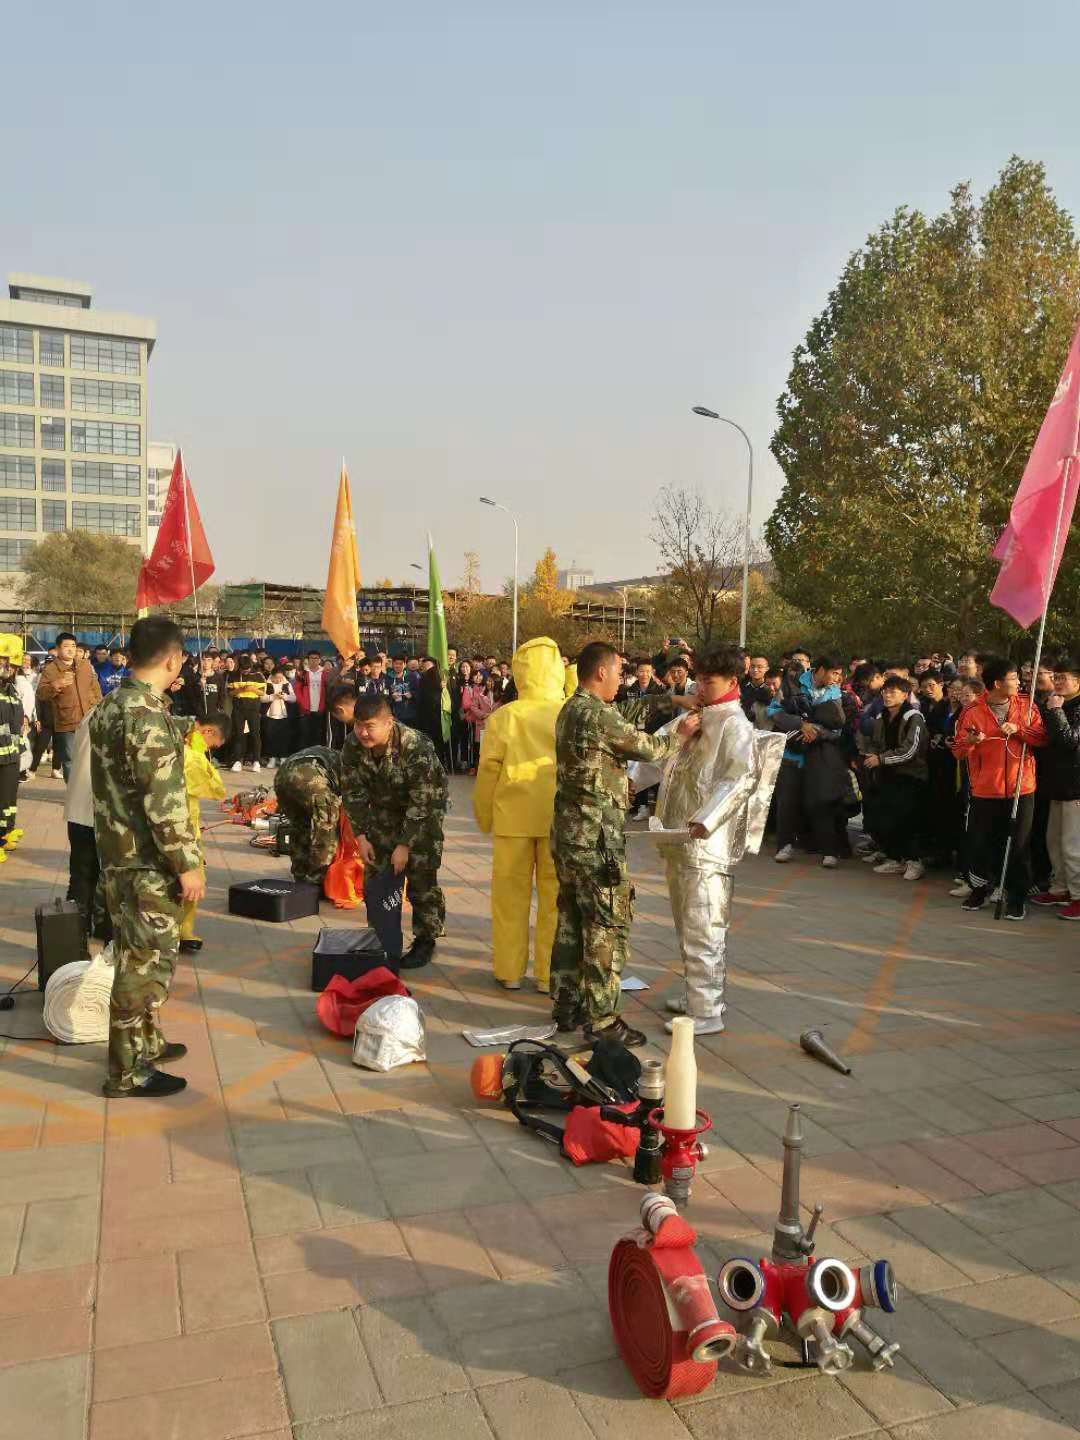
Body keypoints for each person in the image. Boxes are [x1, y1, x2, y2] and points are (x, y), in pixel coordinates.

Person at [549, 641, 699, 1047]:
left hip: (569, 836)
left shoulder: (573, 709)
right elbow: (648, 747)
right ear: (601, 672)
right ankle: (603, 1021)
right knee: (606, 926)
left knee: (571, 920)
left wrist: (672, 700)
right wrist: (681, 734)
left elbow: (627, 712)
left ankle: (567, 1003)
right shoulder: (598, 716)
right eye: (618, 672)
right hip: (596, 840)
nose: (622, 679)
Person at [88, 617, 204, 1099]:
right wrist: (187, 863)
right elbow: (164, 801)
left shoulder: (111, 705)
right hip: (147, 863)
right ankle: (127, 1071)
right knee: (141, 964)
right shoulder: (146, 716)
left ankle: (146, 1042)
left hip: (119, 855)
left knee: (143, 956)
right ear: (173, 658)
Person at [654, 649, 786, 1033]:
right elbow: (658, 751)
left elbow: (740, 779)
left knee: (705, 924)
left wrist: (707, 819)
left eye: (709, 681)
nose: (700, 686)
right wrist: (631, 778)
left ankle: (707, 1009)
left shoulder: (734, 724)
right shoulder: (697, 716)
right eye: (698, 678)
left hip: (706, 842)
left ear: (732, 682)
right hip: (679, 835)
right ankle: (697, 994)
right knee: (687, 922)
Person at [473, 638, 565, 993]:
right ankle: (548, 974)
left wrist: (483, 815)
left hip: (513, 818)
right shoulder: (570, 712)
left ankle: (510, 970)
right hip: (559, 818)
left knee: (509, 899)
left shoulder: (504, 717)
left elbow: (488, 770)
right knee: (555, 900)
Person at [342, 695, 449, 969]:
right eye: (358, 725)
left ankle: (426, 939)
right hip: (384, 810)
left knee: (421, 878)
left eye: (369, 726)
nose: (362, 733)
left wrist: (404, 846)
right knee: (376, 874)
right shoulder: (353, 745)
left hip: (424, 812)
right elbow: (353, 793)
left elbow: (422, 800)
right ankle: (381, 937)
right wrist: (361, 836)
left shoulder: (415, 745)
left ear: (389, 723)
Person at [950, 657, 1046, 919]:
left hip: (1021, 787)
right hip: (985, 788)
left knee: (1018, 845)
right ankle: (980, 889)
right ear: (996, 683)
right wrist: (970, 741)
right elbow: (958, 751)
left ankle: (1016, 896)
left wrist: (1019, 730)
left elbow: (1041, 737)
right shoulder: (972, 710)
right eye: (1013, 678)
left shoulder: (1026, 705)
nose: (1018, 683)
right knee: (981, 842)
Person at [859, 673, 929, 880]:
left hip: (910, 775)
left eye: (893, 692)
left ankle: (915, 862)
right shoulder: (882, 716)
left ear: (905, 695)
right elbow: (875, 742)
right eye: (885, 691)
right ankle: (895, 859)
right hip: (888, 775)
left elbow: (911, 750)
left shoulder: (914, 717)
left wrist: (881, 759)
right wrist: (871, 755)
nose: (887, 695)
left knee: (907, 819)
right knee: (888, 817)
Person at [1032, 658, 1080, 919]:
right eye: (1056, 677)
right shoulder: (1055, 704)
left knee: (1073, 846)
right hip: (1056, 785)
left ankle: (1078, 895)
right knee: (1054, 841)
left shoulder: (1068, 707)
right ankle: (1060, 888)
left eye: (1063, 678)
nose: (1058, 682)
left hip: (1075, 787)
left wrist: (1055, 711)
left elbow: (1069, 740)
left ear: (1078, 682)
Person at [179, 715, 227, 953]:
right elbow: (216, 788)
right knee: (192, 881)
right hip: (182, 826)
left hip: (185, 822)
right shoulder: (191, 754)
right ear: (207, 732)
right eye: (213, 744)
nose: (211, 749)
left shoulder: (184, 745)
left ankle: (181, 931)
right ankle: (180, 932)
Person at [273, 744, 343, 887]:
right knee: (327, 829)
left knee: (301, 825)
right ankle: (316, 880)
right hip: (310, 778)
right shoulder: (355, 766)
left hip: (282, 776)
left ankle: (300, 874)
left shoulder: (333, 755)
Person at [36, 632, 102, 780]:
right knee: (70, 759)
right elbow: (41, 693)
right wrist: (56, 684)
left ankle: (88, 791)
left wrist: (99, 706)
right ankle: (73, 792)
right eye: (66, 646)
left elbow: (95, 688)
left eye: (73, 645)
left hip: (89, 718)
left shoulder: (85, 665)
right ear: (58, 649)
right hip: (66, 721)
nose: (71, 649)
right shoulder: (51, 669)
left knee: (90, 759)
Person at [294, 650, 330, 747]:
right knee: (304, 734)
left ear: (319, 660)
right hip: (305, 709)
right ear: (308, 659)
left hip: (320, 708)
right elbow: (297, 690)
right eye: (311, 658)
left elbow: (329, 689)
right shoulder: (302, 673)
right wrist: (302, 704)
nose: (314, 660)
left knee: (318, 734)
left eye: (316, 658)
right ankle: (304, 753)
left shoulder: (325, 673)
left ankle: (316, 753)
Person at [260, 669, 296, 767]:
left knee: (283, 737)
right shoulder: (267, 684)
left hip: (283, 715)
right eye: (276, 678)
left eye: (280, 678)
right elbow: (262, 698)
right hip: (270, 715)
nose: (278, 680)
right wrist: (272, 696)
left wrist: (285, 696)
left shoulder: (287, 684)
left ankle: (283, 758)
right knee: (270, 737)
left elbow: (294, 698)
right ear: (272, 676)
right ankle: (272, 758)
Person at [387, 656, 420, 725]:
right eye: (396, 663)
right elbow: (384, 695)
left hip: (410, 715)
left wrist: (412, 695)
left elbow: (419, 693)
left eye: (400, 664)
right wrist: (391, 697)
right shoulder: (387, 678)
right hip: (394, 715)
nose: (398, 666)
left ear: (405, 665)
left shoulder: (412, 677)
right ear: (392, 664)